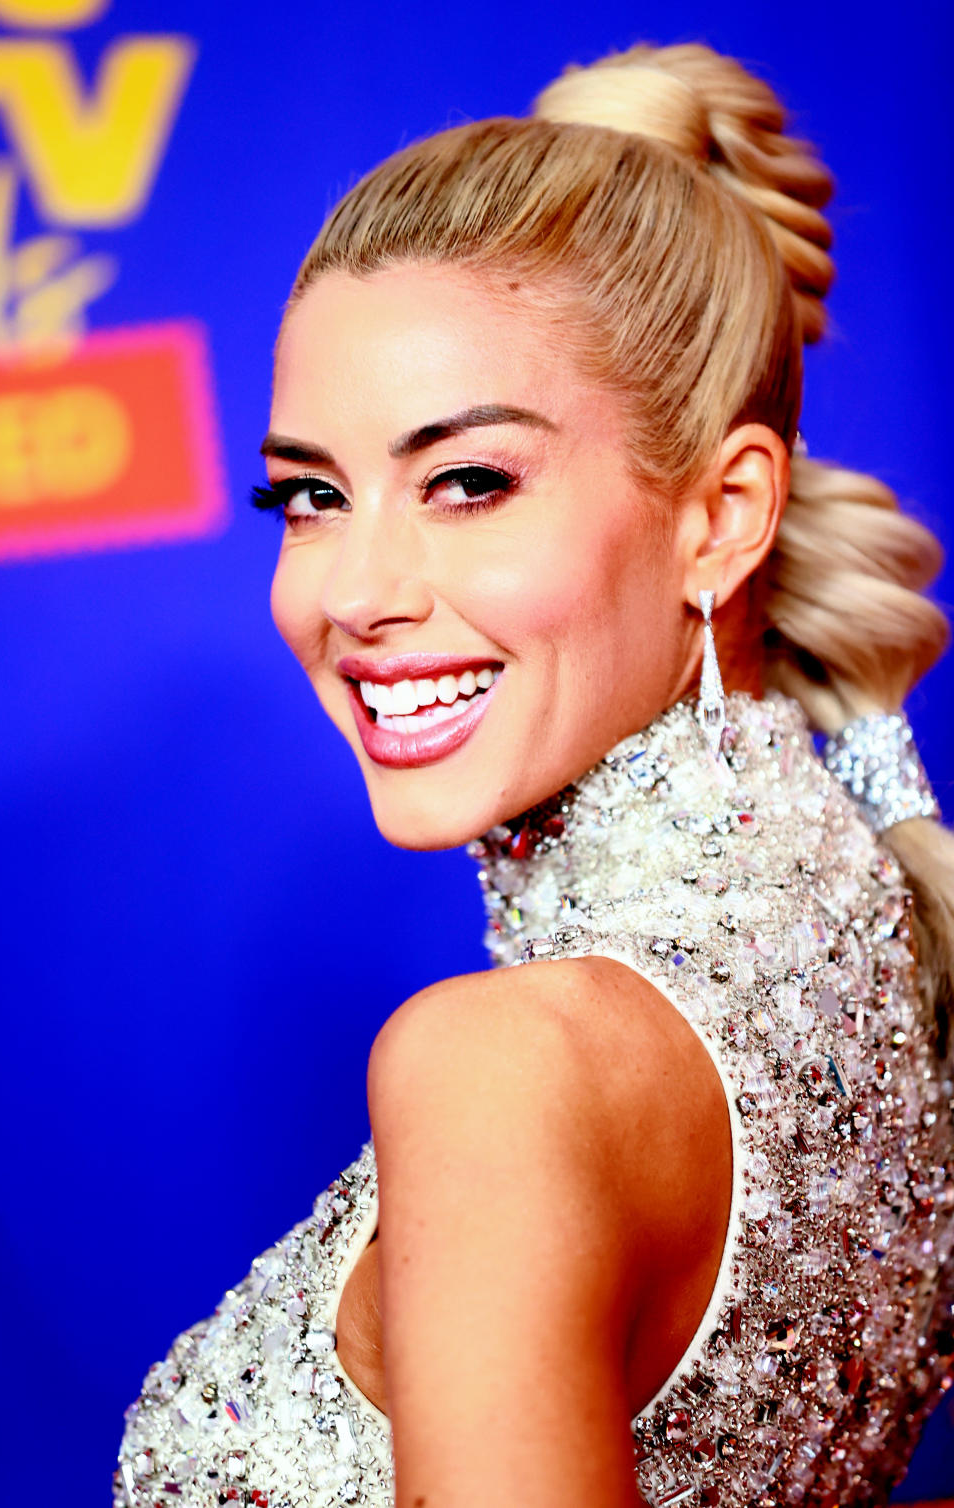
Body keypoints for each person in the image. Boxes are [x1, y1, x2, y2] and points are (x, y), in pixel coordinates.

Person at [114, 40, 954, 1508]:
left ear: (722, 516)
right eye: (311, 496)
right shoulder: (887, 931)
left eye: (468, 482)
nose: (353, 591)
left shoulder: (499, 1070)